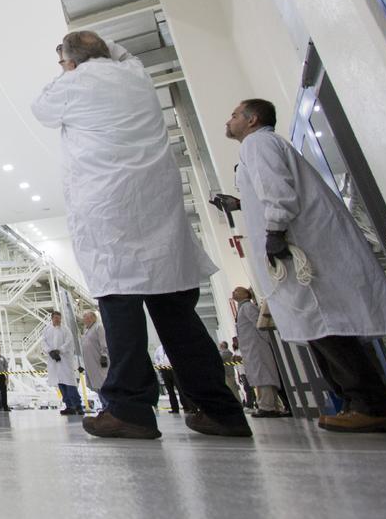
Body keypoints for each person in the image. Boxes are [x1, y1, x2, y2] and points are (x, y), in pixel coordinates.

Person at [32, 31, 249, 439]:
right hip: (158, 215)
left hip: (112, 215)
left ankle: (130, 409)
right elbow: (120, 52)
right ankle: (222, 411)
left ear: (70, 61)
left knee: (122, 314)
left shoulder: (73, 83)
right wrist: (87, 53)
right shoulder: (135, 73)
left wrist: (68, 65)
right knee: (180, 321)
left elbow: (40, 107)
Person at [224, 98, 386, 433]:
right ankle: (359, 403)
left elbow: (278, 192)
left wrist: (275, 231)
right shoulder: (264, 145)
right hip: (302, 255)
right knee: (324, 331)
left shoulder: (258, 143)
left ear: (252, 121)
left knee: (328, 329)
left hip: (302, 256)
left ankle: (372, 405)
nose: (230, 119)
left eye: (235, 115)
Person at [231, 287, 287, 417]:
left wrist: (267, 342)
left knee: (263, 375)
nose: (234, 292)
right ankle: (271, 405)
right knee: (260, 375)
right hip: (252, 347)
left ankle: (267, 407)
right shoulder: (242, 309)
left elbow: (259, 324)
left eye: (237, 290)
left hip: (257, 346)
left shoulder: (248, 307)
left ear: (247, 294)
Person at [42, 312, 83, 415]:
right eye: (56, 318)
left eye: (59, 318)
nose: (58, 320)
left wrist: (59, 350)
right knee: (60, 383)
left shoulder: (65, 330)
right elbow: (44, 342)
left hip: (65, 361)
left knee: (70, 383)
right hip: (54, 362)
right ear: (52, 319)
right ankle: (69, 406)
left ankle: (77, 406)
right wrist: (50, 351)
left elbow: (69, 342)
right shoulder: (47, 330)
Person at [153, 344, 196, 414]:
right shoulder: (159, 348)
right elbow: (156, 358)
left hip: (173, 369)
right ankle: (174, 408)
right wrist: (159, 366)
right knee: (170, 390)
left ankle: (186, 406)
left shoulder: (172, 346)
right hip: (164, 369)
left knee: (180, 388)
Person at [80, 310, 109, 408]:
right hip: (91, 364)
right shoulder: (87, 330)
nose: (85, 320)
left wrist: (104, 355)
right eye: (84, 318)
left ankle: (109, 407)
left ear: (93, 318)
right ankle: (104, 406)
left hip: (99, 362)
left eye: (87, 318)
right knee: (97, 386)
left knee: (103, 384)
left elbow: (103, 342)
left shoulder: (98, 327)